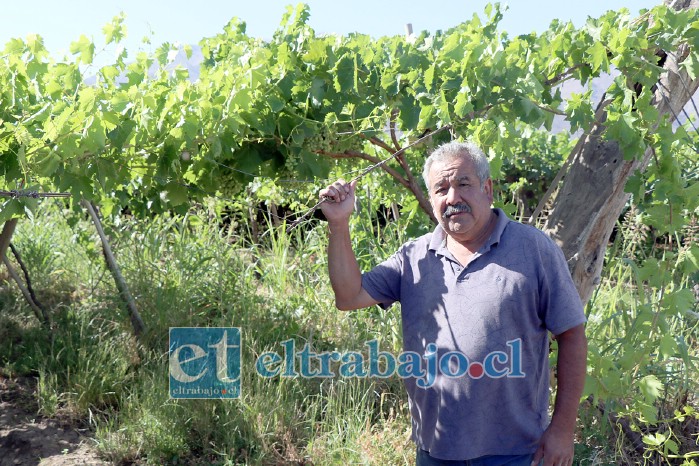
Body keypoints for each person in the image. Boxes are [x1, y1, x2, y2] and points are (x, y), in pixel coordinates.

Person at [319, 141, 587, 466]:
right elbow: (348, 297)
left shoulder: (533, 250)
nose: (452, 198)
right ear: (431, 200)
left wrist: (562, 429)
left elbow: (572, 336)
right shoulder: (413, 258)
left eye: (463, 184)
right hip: (436, 451)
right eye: (441, 189)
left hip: (517, 452)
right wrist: (338, 223)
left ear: (487, 189)